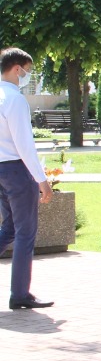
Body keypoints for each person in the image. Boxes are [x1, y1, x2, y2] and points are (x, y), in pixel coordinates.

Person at [0, 48, 54, 310]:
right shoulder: (14, 99)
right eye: (27, 71)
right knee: (25, 232)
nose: (27, 76)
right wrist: (42, 180)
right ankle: (20, 293)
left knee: (9, 229)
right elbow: (24, 144)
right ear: (16, 68)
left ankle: (20, 292)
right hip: (16, 171)